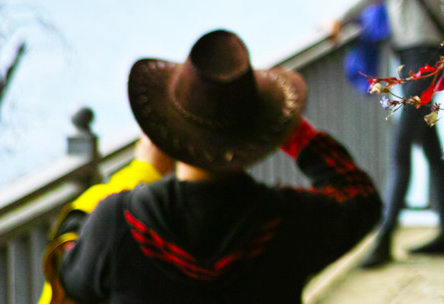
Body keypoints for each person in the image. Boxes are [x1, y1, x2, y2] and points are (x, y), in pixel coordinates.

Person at [43, 29, 382, 303]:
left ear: (165, 133)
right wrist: (295, 132)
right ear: (260, 133)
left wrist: (141, 171)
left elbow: (68, 270)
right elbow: (361, 199)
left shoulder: (119, 222)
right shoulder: (286, 222)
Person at [329, 0, 444, 268]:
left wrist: (341, 17)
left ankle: (383, 240)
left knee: (401, 149)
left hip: (424, 56)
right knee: (429, 148)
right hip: (413, 56)